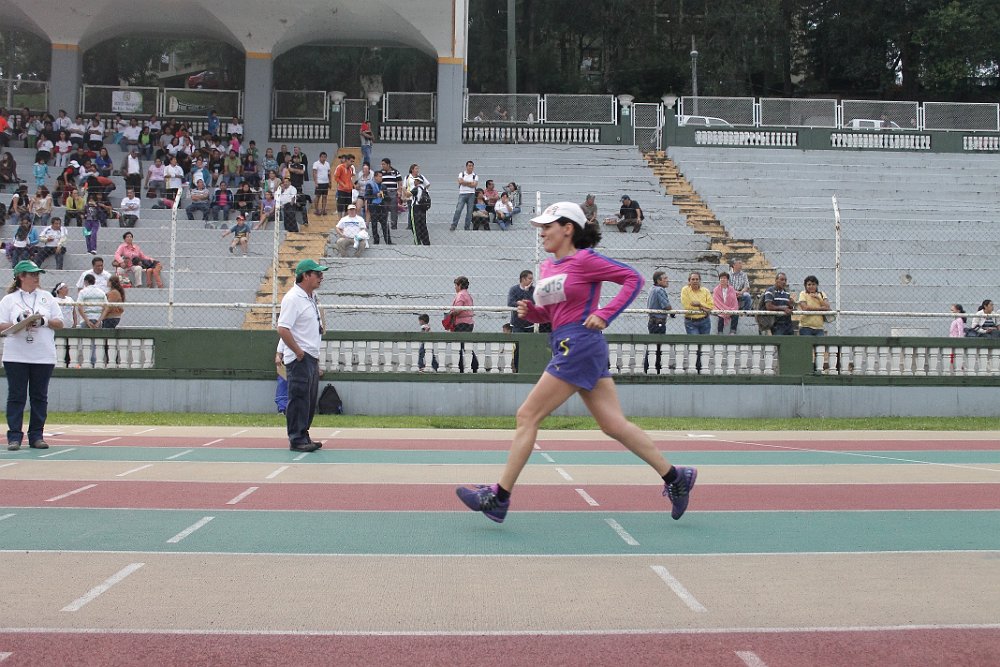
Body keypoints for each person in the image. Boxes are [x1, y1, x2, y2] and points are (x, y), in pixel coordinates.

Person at [455, 202, 696, 524]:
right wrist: (533, 312)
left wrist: (605, 313)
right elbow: (553, 314)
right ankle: (676, 477)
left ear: (568, 228)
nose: (541, 232)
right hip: (572, 343)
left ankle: (498, 498)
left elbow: (633, 279)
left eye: (548, 226)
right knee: (613, 425)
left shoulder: (585, 260)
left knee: (527, 415)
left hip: (579, 344)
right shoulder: (549, 267)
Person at [1, 260, 65, 450]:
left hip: (42, 355)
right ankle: (14, 437)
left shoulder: (47, 297)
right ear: (21, 277)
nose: (36, 277)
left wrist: (43, 321)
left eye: (37, 274)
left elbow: (60, 322)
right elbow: (1, 325)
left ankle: (36, 436)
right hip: (16, 355)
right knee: (16, 396)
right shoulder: (9, 299)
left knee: (39, 396)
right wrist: (19, 321)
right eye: (32, 274)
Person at [277, 259, 330, 452]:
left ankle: (303, 434)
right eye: (317, 274)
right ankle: (296, 439)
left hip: (311, 356)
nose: (321, 277)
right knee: (299, 398)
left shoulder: (311, 297)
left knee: (308, 400)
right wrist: (298, 352)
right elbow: (283, 329)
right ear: (305, 276)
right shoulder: (293, 298)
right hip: (301, 357)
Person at [449, 276, 478, 374]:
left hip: (461, 323)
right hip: (468, 323)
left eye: (456, 285)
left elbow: (458, 309)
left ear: (460, 285)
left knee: (459, 346)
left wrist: (451, 313)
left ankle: (465, 366)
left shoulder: (461, 295)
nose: (455, 287)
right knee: (465, 346)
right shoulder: (467, 295)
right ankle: (473, 365)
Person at [404, 163, 431, 245]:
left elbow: (408, 195)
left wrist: (404, 190)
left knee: (415, 226)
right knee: (423, 225)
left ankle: (417, 241)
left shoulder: (416, 188)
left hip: (416, 208)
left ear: (418, 181)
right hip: (423, 209)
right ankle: (426, 242)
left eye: (416, 180)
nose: (414, 181)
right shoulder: (424, 189)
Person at [451, 160, 478, 231]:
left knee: (469, 212)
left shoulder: (475, 175)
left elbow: (474, 185)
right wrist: (470, 183)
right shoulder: (462, 174)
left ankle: (467, 227)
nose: (471, 167)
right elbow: (460, 181)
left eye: (472, 166)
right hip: (462, 193)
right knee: (458, 209)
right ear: (466, 166)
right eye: (469, 166)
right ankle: (454, 225)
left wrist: (464, 183)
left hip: (471, 194)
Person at [728, 259, 752, 334]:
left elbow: (747, 286)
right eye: (739, 263)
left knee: (747, 296)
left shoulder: (744, 274)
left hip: (741, 292)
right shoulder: (728, 274)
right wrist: (735, 292)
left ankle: (745, 314)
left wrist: (741, 292)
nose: (741, 265)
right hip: (731, 292)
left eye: (741, 263)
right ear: (734, 265)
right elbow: (728, 286)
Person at [379, 158, 401, 230]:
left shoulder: (395, 172)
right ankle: (384, 225)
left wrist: (399, 191)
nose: (382, 165)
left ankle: (393, 225)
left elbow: (399, 182)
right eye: (382, 164)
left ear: (388, 164)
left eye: (384, 164)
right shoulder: (380, 172)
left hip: (393, 192)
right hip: (384, 192)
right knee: (384, 209)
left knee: (393, 209)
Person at [311, 151, 331, 216]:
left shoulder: (327, 164)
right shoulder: (316, 163)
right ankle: (316, 210)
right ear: (320, 157)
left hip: (326, 182)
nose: (323, 158)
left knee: (325, 197)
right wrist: (316, 182)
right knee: (317, 196)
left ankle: (323, 209)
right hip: (319, 183)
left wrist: (330, 182)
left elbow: (329, 173)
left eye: (325, 157)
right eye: (322, 157)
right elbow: (314, 173)